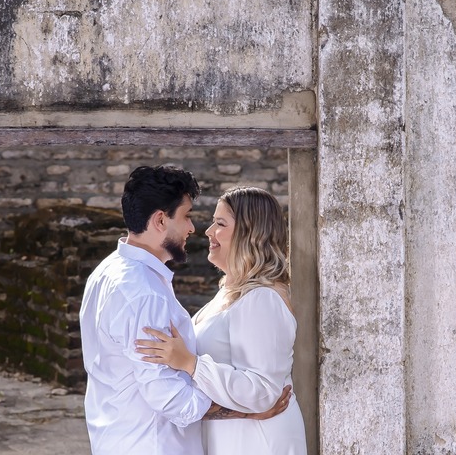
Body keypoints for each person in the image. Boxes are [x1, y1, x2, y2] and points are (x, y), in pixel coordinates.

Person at [79, 167, 292, 455]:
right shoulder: (145, 293)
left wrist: (191, 364)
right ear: (159, 220)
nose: (195, 228)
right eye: (187, 216)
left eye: (219, 223)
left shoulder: (105, 273)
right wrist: (245, 413)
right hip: (153, 445)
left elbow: (261, 385)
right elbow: (173, 401)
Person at [136, 186, 307, 455]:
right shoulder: (229, 293)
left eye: (220, 223)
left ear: (249, 233)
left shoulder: (262, 299)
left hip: (257, 442)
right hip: (234, 438)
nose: (207, 231)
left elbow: (263, 392)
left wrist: (190, 364)